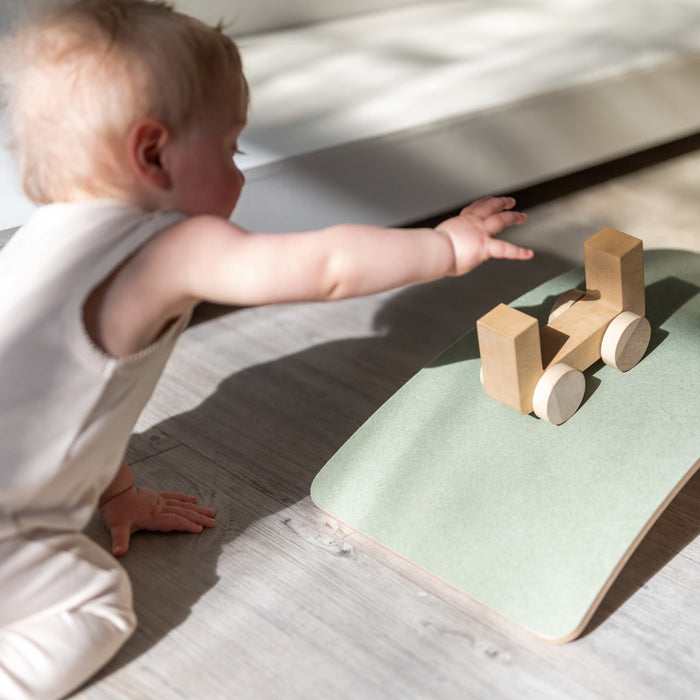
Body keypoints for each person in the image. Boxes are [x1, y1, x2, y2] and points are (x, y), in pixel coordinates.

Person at [0, 1, 533, 697]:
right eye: (229, 149)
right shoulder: (171, 243)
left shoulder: (37, 241)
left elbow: (67, 408)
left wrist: (121, 491)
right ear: (152, 152)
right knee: (95, 605)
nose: (240, 174)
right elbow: (324, 265)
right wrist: (445, 246)